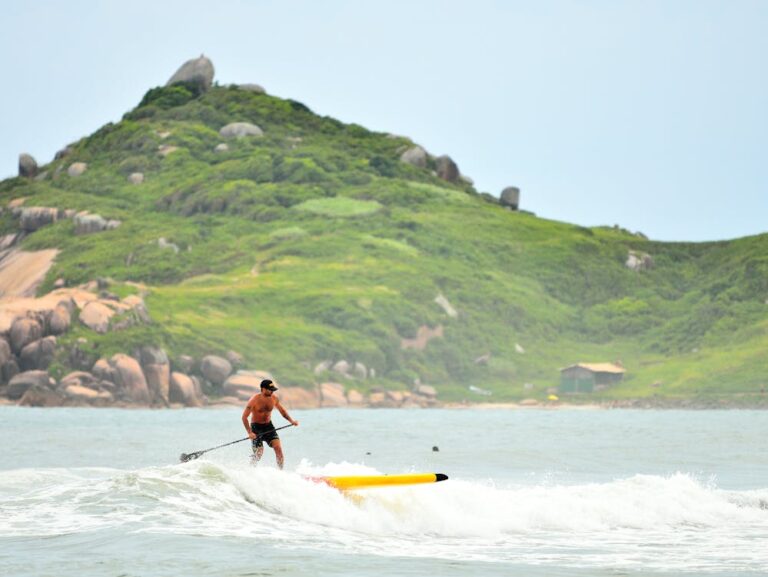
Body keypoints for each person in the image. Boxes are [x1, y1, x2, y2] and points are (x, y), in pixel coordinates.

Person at [241, 379, 299, 469]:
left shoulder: (274, 398)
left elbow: (282, 411)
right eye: (269, 389)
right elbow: (244, 417)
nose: (272, 391)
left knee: (278, 449)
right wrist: (249, 432)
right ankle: (250, 469)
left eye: (273, 390)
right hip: (256, 428)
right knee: (259, 453)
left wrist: (291, 421)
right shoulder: (254, 400)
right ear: (263, 389)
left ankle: (281, 472)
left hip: (269, 427)